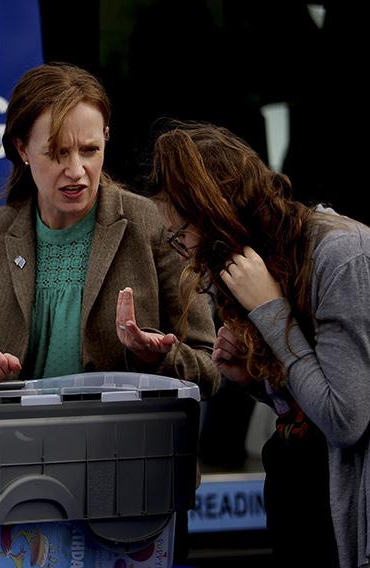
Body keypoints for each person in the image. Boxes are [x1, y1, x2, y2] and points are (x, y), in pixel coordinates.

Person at [150, 121, 370, 568]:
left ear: (216, 214)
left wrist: (270, 311)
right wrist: (253, 380)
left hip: (339, 504)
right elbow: (307, 407)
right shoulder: (266, 258)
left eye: (183, 231)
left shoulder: (340, 256)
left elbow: (345, 420)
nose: (184, 250)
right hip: (296, 487)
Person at [0, 63, 219, 394]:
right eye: (57, 153)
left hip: (122, 441)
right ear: (22, 149)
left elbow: (209, 370)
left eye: (90, 150)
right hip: (17, 440)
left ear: (106, 139)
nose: (76, 170)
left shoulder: (153, 224)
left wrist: (154, 357)